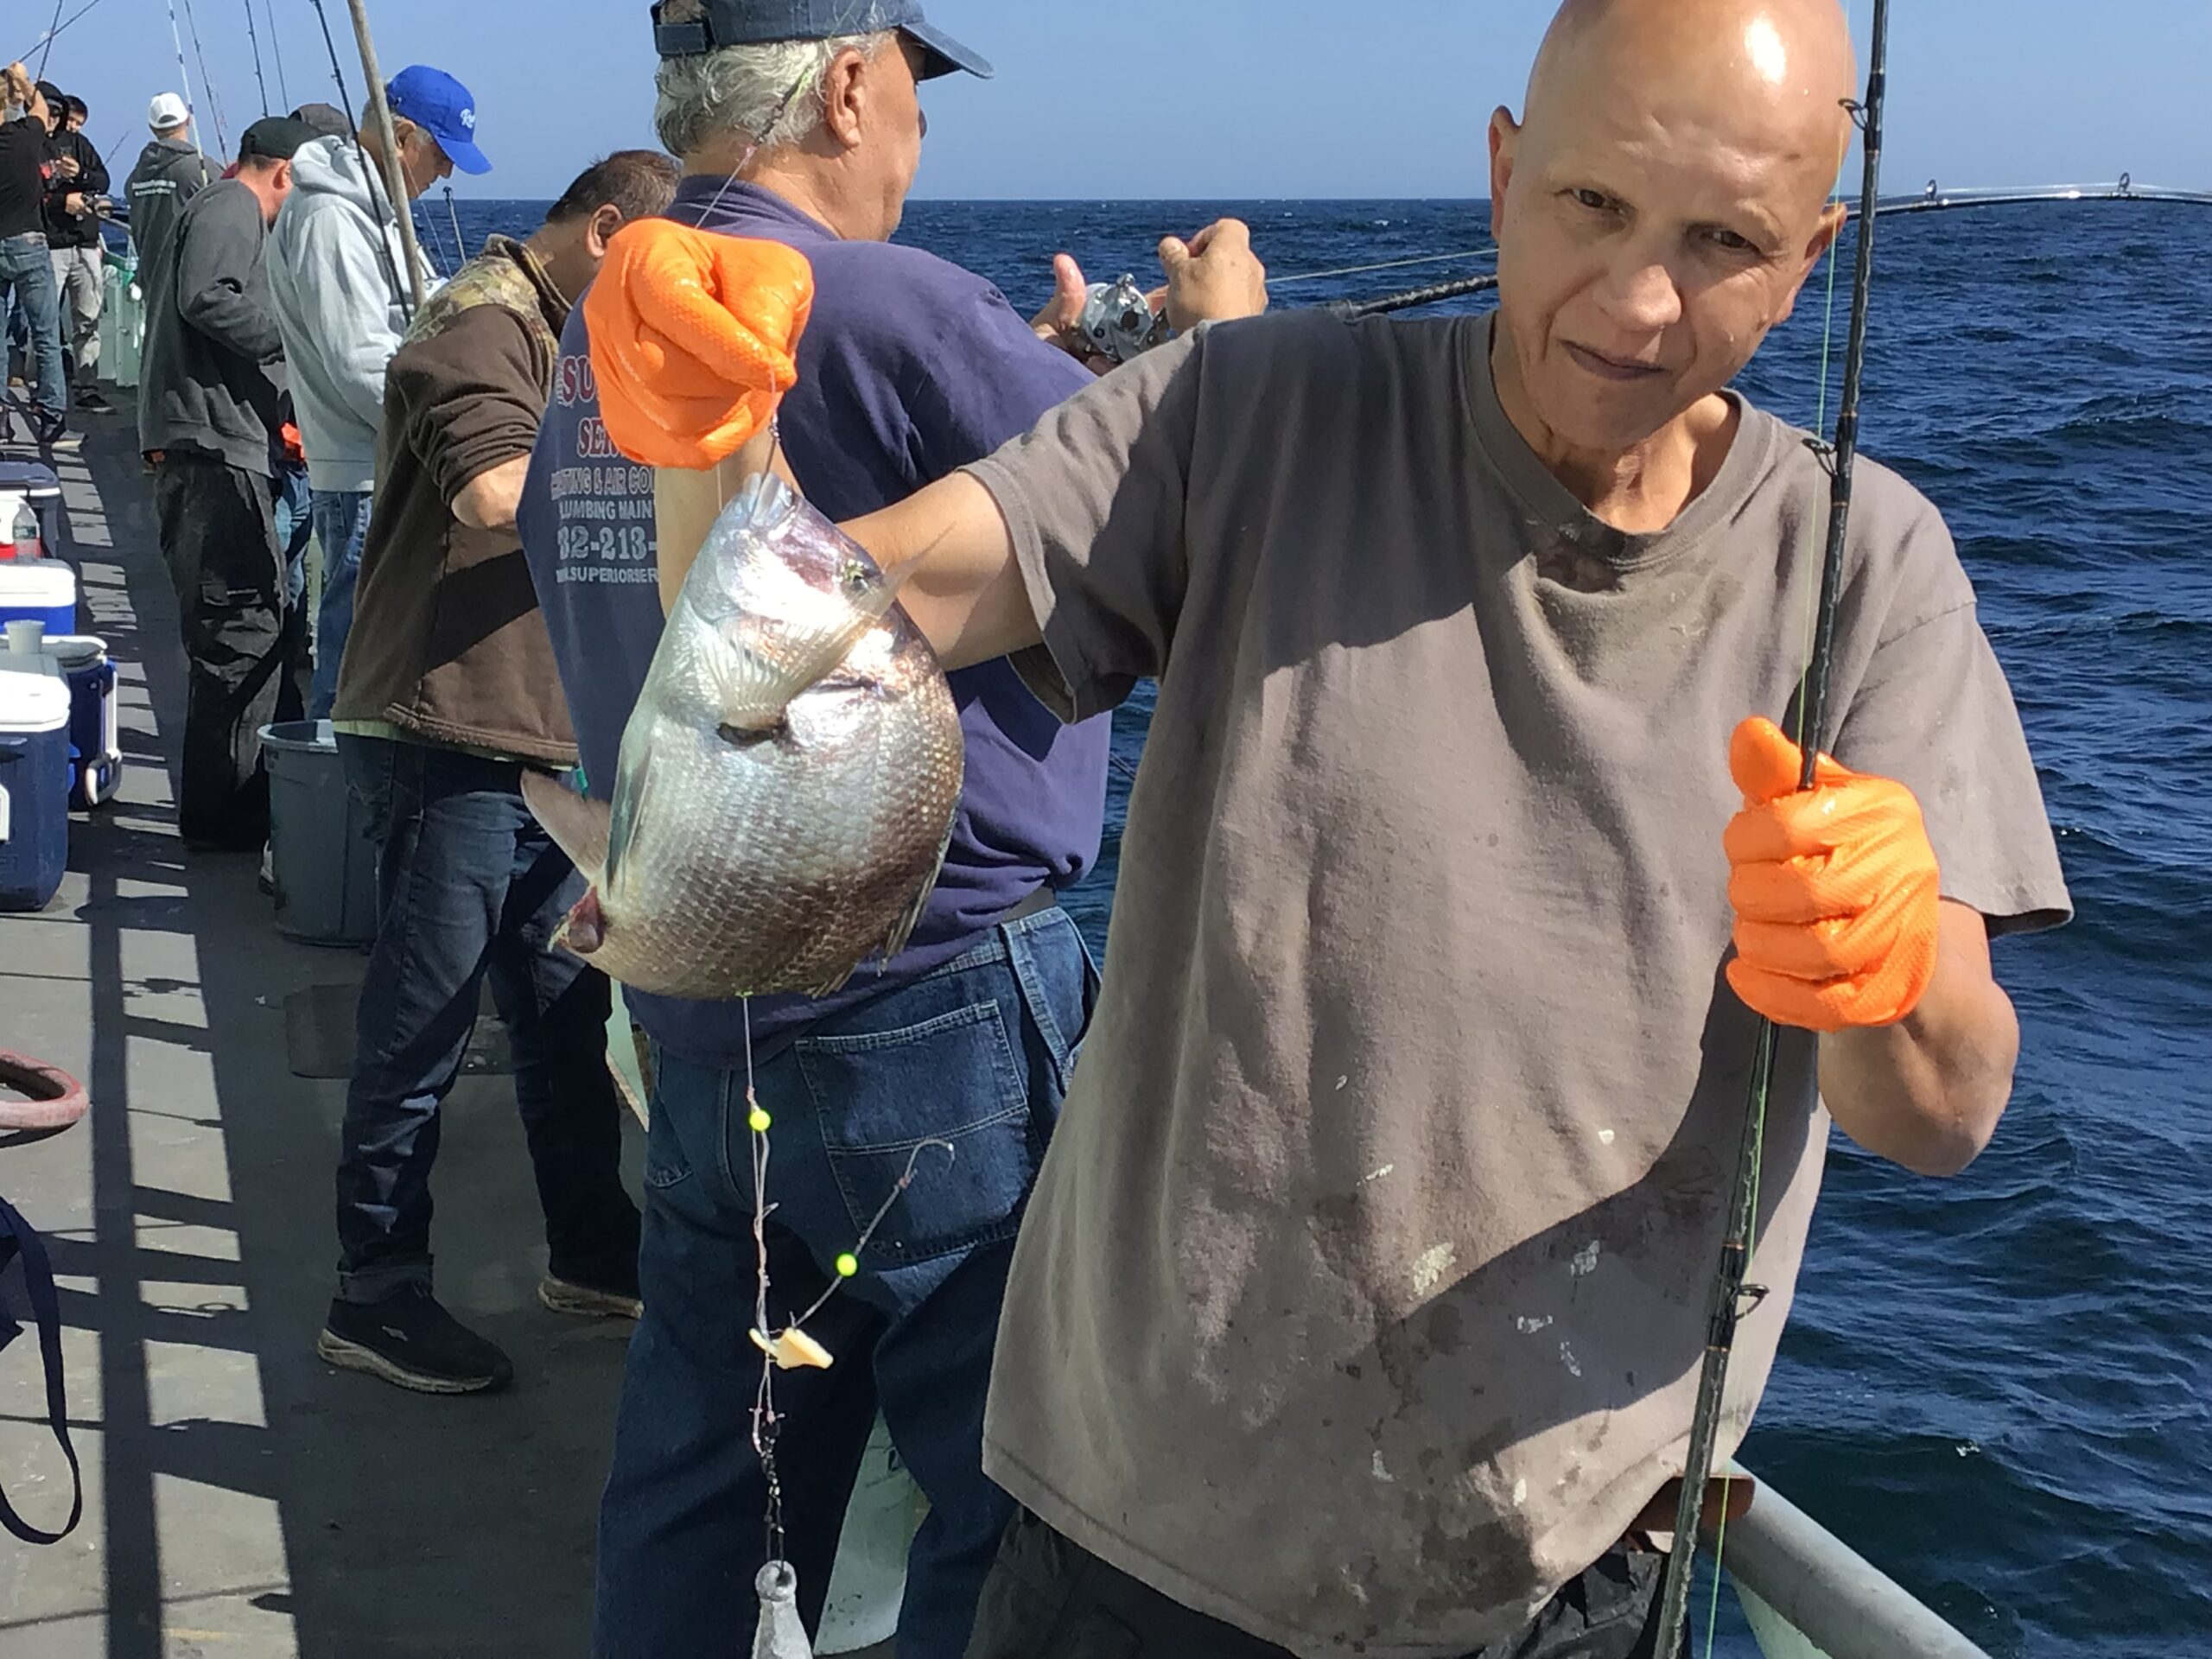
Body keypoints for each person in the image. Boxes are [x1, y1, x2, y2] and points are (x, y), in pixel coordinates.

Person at [604, 2, 2077, 1656]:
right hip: (1137, 1527)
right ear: (1504, 173)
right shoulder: (1244, 410)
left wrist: (1887, 978)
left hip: (1557, 1574)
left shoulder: (1873, 567)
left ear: (1812, 257)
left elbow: (1940, 1116)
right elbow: (810, 634)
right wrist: (710, 440)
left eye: (1723, 240)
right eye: (1592, 204)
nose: (1638, 301)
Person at [518, 4, 1260, 1654]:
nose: (919, 133)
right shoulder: (899, 306)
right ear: (849, 84)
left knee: (707, 1485)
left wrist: (1052, 375)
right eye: (915, 90)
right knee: (1019, 1498)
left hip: (697, 1002)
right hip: (930, 1011)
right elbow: (1203, 507)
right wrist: (1220, 351)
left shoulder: (602, 328)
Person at [314, 151, 680, 1397]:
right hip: (446, 733)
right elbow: (490, 492)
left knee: (565, 1014)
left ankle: (592, 1252)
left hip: (538, 741)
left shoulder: (573, 336)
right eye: (661, 276)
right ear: (609, 234)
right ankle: (373, 1291)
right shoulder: (478, 327)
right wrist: (677, 468)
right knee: (421, 1021)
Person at [268, 65, 485, 722]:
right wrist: (444, 440)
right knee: (357, 657)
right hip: (366, 474)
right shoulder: (333, 218)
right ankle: (333, 776)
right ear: (404, 138)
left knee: (371, 647)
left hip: (385, 465)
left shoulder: (375, 214)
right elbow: (360, 362)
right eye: (441, 155)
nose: (445, 173)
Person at [137, 117, 317, 850]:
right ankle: (225, 820)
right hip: (212, 452)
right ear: (285, 174)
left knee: (244, 628)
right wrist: (299, 341)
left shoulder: (220, 206)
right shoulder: (231, 205)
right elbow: (206, 295)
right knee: (241, 631)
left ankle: (233, 809)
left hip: (217, 445)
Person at [0, 65, 70, 448]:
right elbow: (40, 106)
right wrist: (23, 80)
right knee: (45, 333)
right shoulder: (26, 135)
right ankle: (51, 414)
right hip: (28, 242)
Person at [42, 92, 110, 412]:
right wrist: (61, 202)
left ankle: (87, 386)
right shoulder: (36, 146)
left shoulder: (82, 146)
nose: (71, 126)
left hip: (84, 244)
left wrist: (80, 175)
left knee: (88, 319)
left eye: (77, 122)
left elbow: (103, 179)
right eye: (68, 119)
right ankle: (46, 389)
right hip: (51, 244)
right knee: (45, 321)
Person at [124, 92, 214, 271]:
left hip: (150, 276)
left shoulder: (136, 176)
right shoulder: (202, 168)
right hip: (190, 275)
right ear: (188, 120)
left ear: (152, 127)